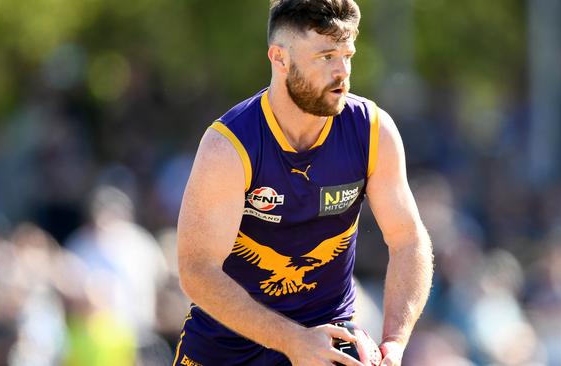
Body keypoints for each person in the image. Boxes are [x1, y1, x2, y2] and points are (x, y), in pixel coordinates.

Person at [174, 1, 434, 365]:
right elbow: (196, 270)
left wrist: (395, 341)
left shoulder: (373, 131)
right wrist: (293, 340)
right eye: (326, 56)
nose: (342, 71)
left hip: (327, 344)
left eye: (347, 55)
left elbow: (408, 240)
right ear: (279, 59)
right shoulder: (230, 146)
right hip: (225, 350)